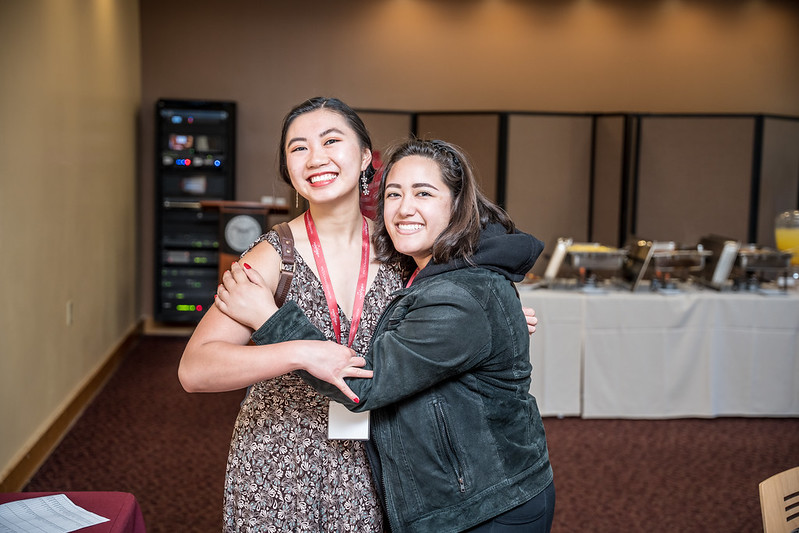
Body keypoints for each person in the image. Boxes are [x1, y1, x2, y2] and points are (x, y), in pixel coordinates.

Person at [216, 138, 555, 533]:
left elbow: (368, 384)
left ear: (457, 205)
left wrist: (269, 318)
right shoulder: (427, 270)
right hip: (459, 496)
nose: (404, 208)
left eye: (423, 193)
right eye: (393, 194)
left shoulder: (459, 293)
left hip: (487, 507)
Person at [179, 97, 399, 532]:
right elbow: (195, 369)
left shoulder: (402, 249)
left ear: (365, 159)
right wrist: (299, 352)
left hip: (374, 459)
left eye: (331, 140)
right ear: (289, 171)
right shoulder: (271, 257)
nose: (315, 157)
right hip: (278, 459)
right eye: (298, 148)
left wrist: (491, 314)